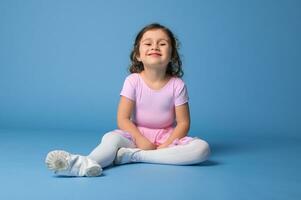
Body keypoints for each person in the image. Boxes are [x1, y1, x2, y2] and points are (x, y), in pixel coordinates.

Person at [45, 23, 210, 177]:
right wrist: (140, 139)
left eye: (162, 43)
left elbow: (183, 123)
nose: (155, 46)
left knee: (202, 149)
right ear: (138, 55)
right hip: (135, 135)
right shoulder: (133, 81)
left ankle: (136, 156)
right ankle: (82, 163)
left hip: (165, 137)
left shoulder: (177, 85)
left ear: (172, 55)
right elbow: (123, 119)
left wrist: (166, 145)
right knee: (111, 139)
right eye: (148, 43)